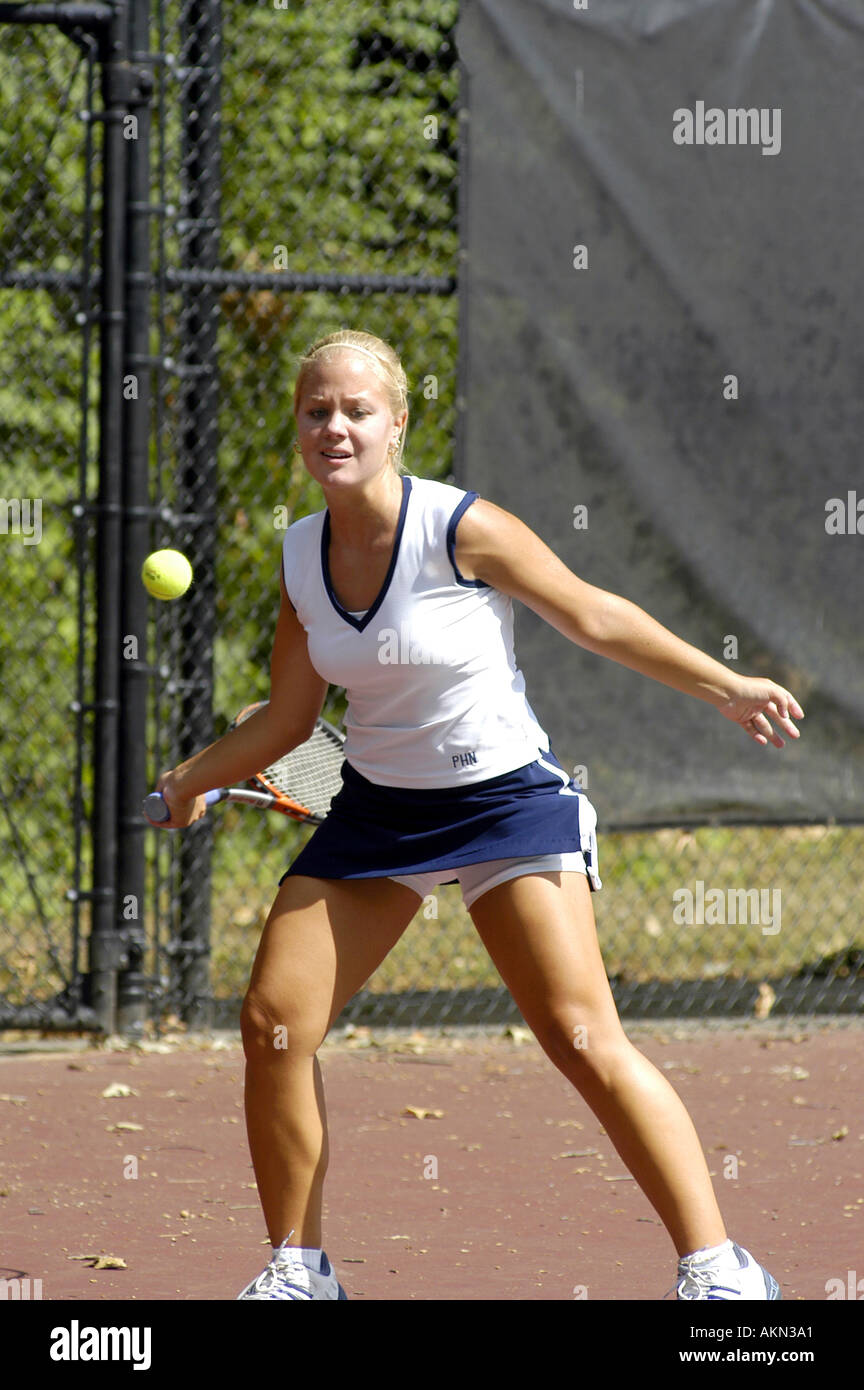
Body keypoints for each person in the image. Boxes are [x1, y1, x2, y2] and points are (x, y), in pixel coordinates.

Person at [147, 328, 803, 1302]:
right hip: (378, 816)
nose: (335, 426)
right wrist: (190, 778)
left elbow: (591, 613)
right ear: (297, 427)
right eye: (316, 410)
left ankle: (720, 1268)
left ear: (398, 423)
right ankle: (299, 1271)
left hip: (506, 805)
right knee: (275, 1023)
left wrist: (726, 685)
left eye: (356, 410)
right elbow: (291, 719)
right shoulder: (298, 555)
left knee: (583, 1038)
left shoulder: (461, 528)